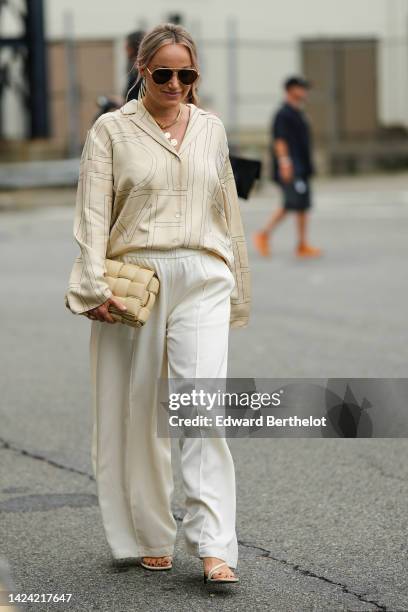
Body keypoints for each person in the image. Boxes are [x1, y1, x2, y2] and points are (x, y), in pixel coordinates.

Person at [64, 23, 250, 584]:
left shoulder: (212, 129)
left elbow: (229, 213)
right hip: (136, 283)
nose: (176, 83)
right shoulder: (111, 131)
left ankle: (215, 544)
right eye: (164, 72)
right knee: (142, 412)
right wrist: (91, 285)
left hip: (203, 276)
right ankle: (149, 531)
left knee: (201, 408)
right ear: (142, 70)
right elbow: (93, 213)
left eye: (186, 74)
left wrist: (237, 282)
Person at [253, 76, 322, 258]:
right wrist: (285, 163)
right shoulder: (283, 114)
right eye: (301, 88)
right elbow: (280, 140)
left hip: (302, 166)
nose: (305, 91)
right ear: (290, 89)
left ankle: (302, 244)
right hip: (292, 166)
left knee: (302, 206)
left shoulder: (298, 112)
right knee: (291, 203)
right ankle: (263, 234)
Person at [123, 30, 145, 102]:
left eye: (127, 44)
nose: (124, 48)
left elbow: (132, 98)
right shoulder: (132, 66)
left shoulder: (137, 69)